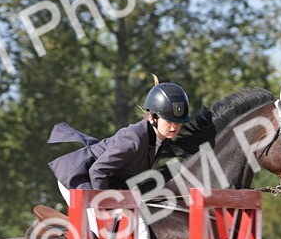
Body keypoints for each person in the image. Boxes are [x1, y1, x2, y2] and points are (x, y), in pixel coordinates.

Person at [47, 80, 190, 198]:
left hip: (102, 180)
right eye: (169, 121)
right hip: (78, 176)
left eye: (178, 122)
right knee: (101, 224)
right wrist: (107, 204)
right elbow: (98, 171)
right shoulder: (134, 138)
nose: (174, 126)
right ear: (153, 117)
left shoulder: (161, 140)